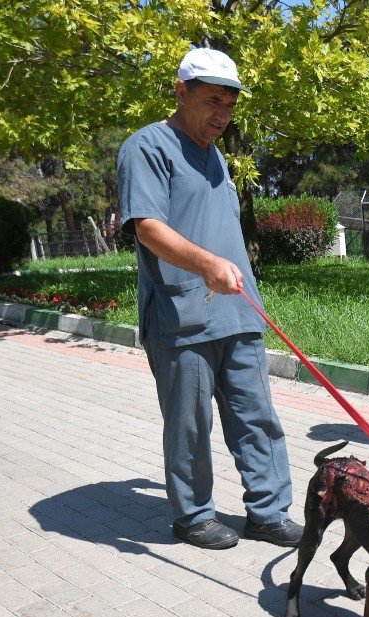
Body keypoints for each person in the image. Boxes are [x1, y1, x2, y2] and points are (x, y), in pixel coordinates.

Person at [116, 47, 302, 550]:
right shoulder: (147, 146)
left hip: (238, 311)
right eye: (212, 100)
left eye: (230, 103)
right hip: (181, 315)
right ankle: (193, 515)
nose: (222, 113)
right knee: (190, 424)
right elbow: (147, 227)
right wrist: (206, 266)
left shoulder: (216, 155)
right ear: (181, 92)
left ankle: (267, 511)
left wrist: (229, 275)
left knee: (256, 416)